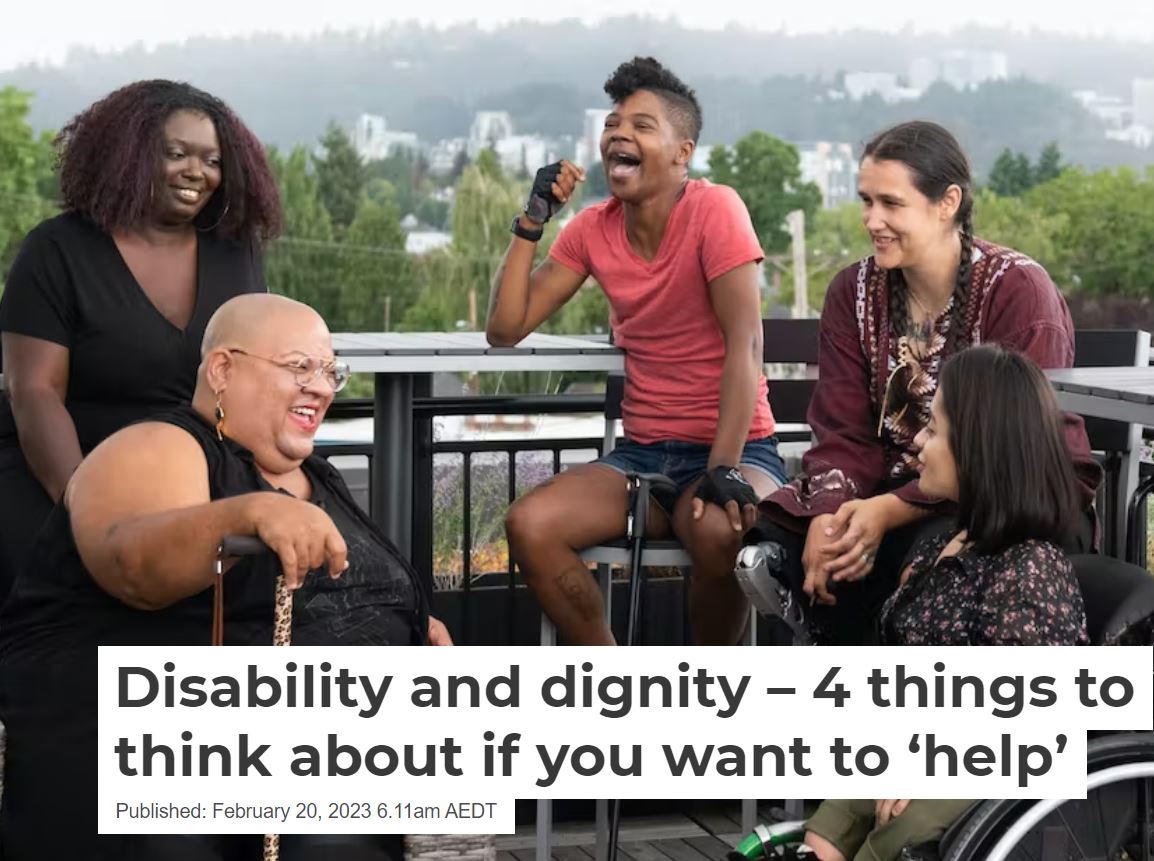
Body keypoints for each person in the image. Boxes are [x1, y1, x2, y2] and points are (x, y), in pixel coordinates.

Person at [0, 294, 451, 861]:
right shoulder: (162, 444)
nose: (322, 386)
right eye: (299, 367)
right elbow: (133, 568)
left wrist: (410, 624)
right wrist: (247, 513)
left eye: (330, 371)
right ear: (222, 370)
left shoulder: (317, 475)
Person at [753, 120, 1100, 645]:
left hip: (1006, 498)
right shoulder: (853, 291)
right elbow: (843, 431)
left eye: (891, 204)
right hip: (887, 488)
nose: (873, 220)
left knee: (928, 545)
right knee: (791, 535)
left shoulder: (1017, 290)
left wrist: (885, 513)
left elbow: (1014, 450)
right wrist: (833, 515)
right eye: (866, 201)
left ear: (948, 203)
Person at [486, 56, 786, 646]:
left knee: (719, 531)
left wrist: (723, 467)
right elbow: (505, 328)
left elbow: (745, 347)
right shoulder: (592, 229)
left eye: (643, 126)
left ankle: (707, 697)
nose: (619, 134)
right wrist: (533, 219)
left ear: (682, 152)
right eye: (613, 123)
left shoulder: (715, 209)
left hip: (738, 449)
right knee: (530, 523)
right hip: (644, 458)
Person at [800, 344, 1088, 861]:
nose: (917, 441)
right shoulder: (941, 544)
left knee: (891, 834)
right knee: (823, 835)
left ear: (978, 447)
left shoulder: (1029, 568)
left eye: (933, 429)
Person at [0, 79, 281, 599]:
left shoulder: (235, 254)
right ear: (128, 154)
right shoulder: (56, 251)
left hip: (190, 483)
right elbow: (33, 394)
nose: (197, 171)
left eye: (213, 160)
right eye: (176, 153)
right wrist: (88, 509)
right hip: (60, 479)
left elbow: (254, 377)